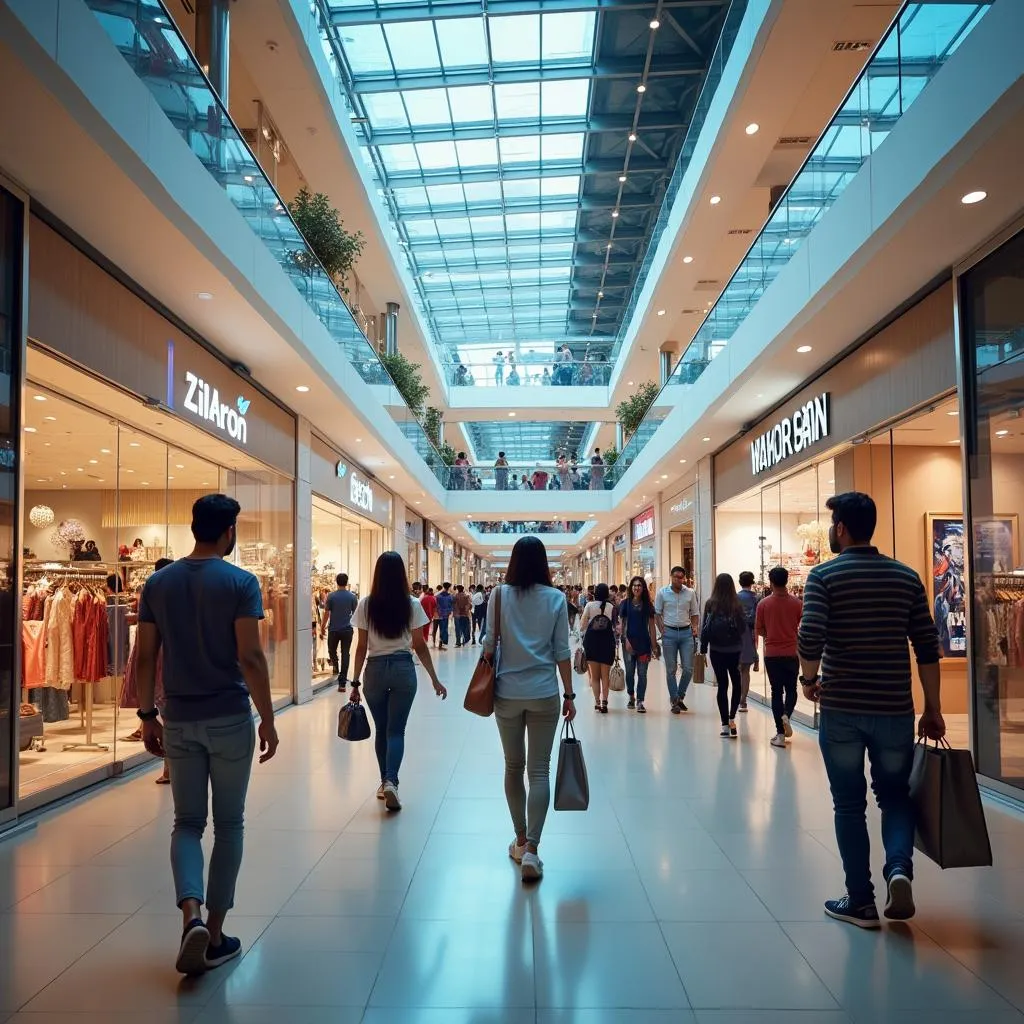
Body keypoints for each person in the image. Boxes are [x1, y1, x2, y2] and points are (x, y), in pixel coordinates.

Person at [136, 494, 278, 976]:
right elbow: (251, 658)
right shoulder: (241, 582)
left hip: (178, 719)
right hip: (230, 718)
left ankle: (190, 915)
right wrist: (269, 718)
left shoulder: (158, 583)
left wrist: (146, 714)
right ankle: (215, 935)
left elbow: (146, 655)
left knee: (187, 823)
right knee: (230, 825)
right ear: (228, 532)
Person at [798, 491, 944, 929]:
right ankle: (898, 869)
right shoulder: (906, 577)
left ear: (839, 528)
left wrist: (809, 680)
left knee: (849, 803)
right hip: (893, 708)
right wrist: (933, 708)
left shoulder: (824, 576)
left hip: (841, 707)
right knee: (894, 795)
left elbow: (810, 638)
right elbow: (927, 647)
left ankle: (860, 901)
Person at [483, 536, 574, 881]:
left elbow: (489, 645)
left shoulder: (499, 596)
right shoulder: (556, 598)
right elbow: (562, 651)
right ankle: (533, 850)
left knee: (512, 766)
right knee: (539, 770)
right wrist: (569, 694)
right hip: (544, 693)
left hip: (506, 692)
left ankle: (519, 839)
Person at [350, 552, 447, 811]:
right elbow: (420, 645)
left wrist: (355, 683)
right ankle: (392, 780)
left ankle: (384, 782)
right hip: (404, 669)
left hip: (375, 671)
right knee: (396, 730)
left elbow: (360, 647)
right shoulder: (412, 604)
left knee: (382, 730)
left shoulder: (366, 604)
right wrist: (435, 680)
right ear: (402, 574)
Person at [756, 566, 803, 749]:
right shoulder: (797, 603)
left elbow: (759, 629)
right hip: (792, 652)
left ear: (771, 582)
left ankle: (780, 734)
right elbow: (803, 625)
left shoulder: (764, 604)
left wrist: (770, 633)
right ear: (787, 580)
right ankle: (787, 715)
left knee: (777, 691)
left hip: (772, 653)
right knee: (792, 689)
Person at [700, 573, 747, 738]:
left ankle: (724, 725)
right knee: (736, 683)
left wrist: (703, 649)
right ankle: (732, 717)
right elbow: (742, 629)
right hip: (734, 650)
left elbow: (704, 629)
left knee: (722, 685)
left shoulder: (710, 603)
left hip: (717, 650)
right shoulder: (737, 604)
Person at [654, 566, 700, 713]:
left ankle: (679, 696)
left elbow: (695, 612)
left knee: (688, 668)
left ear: (684, 578)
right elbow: (657, 613)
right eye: (675, 576)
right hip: (669, 634)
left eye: (681, 577)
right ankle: (675, 700)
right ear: (671, 576)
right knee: (671, 669)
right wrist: (661, 629)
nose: (678, 579)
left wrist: (694, 626)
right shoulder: (662, 593)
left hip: (686, 634)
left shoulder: (690, 593)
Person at [619, 576, 659, 713]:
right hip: (628, 644)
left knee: (642, 673)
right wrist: (626, 640)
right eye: (634, 585)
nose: (637, 587)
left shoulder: (648, 606)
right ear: (631, 587)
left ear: (643, 588)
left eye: (639, 585)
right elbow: (622, 624)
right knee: (630, 672)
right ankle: (631, 695)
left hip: (644, 644)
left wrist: (654, 646)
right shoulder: (625, 604)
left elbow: (652, 627)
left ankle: (640, 700)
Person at [580, 583, 617, 713]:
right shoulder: (611, 607)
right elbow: (615, 626)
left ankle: (597, 702)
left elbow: (582, 625)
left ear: (595, 593)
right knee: (605, 676)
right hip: (607, 643)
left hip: (592, 642)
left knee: (595, 677)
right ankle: (605, 703)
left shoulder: (590, 605)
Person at [322, 573, 358, 691]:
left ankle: (336, 667)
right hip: (347, 629)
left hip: (334, 629)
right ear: (346, 582)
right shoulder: (352, 597)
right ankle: (342, 682)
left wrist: (322, 626)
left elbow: (326, 613)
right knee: (345, 653)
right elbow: (355, 613)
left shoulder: (331, 596)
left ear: (336, 582)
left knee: (331, 650)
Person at [737, 571, 760, 712]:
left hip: (737, 634)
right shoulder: (757, 598)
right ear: (752, 582)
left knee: (738, 669)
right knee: (746, 671)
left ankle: (737, 696)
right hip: (751, 634)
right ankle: (743, 701)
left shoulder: (735, 598)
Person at [435, 582, 454, 650]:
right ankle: (442, 641)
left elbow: (436, 604)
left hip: (440, 613)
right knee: (444, 628)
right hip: (446, 614)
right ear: (449, 587)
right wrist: (449, 611)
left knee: (441, 628)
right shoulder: (450, 596)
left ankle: (441, 640)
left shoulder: (438, 596)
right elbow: (451, 605)